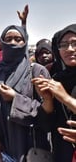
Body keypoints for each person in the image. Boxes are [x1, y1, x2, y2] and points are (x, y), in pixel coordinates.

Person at [0, 24, 53, 161]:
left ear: (25, 43)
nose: (12, 43)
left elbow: (48, 114)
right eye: (8, 39)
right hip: (4, 144)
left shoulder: (37, 71)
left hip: (31, 145)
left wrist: (15, 99)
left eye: (18, 39)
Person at [32, 23, 76, 161]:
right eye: (63, 44)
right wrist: (48, 100)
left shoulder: (58, 87)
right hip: (63, 153)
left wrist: (65, 98)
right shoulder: (56, 79)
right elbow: (47, 126)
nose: (69, 49)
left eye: (75, 43)